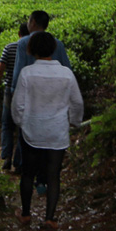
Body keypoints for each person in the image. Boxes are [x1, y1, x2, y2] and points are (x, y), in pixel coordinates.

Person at [11, 32, 83, 230]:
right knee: (53, 176)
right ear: (53, 49)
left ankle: (25, 214)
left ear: (31, 50)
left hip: (32, 131)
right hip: (57, 132)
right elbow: (77, 102)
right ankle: (50, 218)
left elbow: (18, 105)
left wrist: (20, 122)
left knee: (28, 174)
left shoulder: (27, 73)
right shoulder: (66, 74)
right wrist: (75, 122)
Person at [10, 10, 71, 193]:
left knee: (28, 141)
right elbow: (67, 70)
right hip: (52, 102)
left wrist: (15, 99)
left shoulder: (23, 43)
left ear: (34, 22)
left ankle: (28, 175)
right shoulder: (57, 44)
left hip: (30, 101)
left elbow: (18, 74)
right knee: (48, 144)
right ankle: (43, 180)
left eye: (29, 20)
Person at [0, 23, 28, 171]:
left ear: (19, 33)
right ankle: (18, 162)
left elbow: (0, 71)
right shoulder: (32, 50)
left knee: (7, 124)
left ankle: (6, 156)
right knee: (22, 127)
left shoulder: (10, 47)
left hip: (9, 90)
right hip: (26, 91)